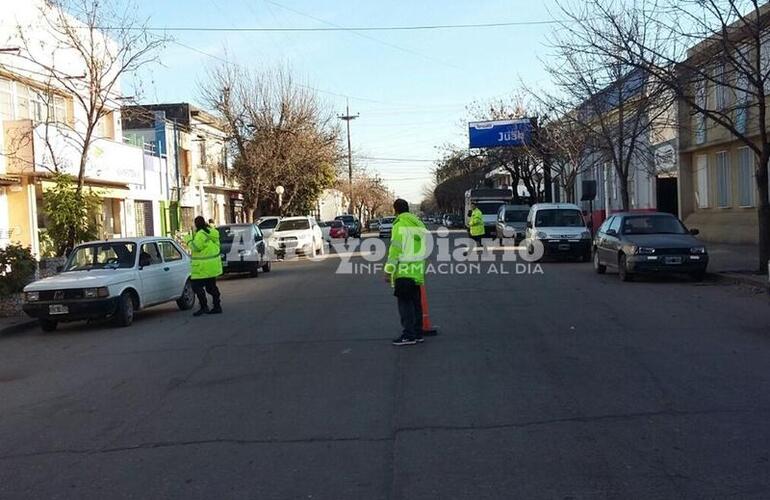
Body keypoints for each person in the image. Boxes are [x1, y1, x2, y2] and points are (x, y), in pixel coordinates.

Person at [384, 199, 428, 346]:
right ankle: (417, 333)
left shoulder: (399, 224)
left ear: (395, 210)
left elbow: (395, 249)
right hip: (416, 270)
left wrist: (388, 270)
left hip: (403, 271)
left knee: (405, 305)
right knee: (416, 304)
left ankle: (408, 335)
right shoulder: (418, 224)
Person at [187, 216, 223, 316]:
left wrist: (189, 240)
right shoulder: (213, 233)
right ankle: (217, 306)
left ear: (196, 224)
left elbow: (196, 247)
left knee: (196, 286)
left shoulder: (200, 234)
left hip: (202, 268)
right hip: (212, 267)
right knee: (211, 287)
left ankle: (204, 307)